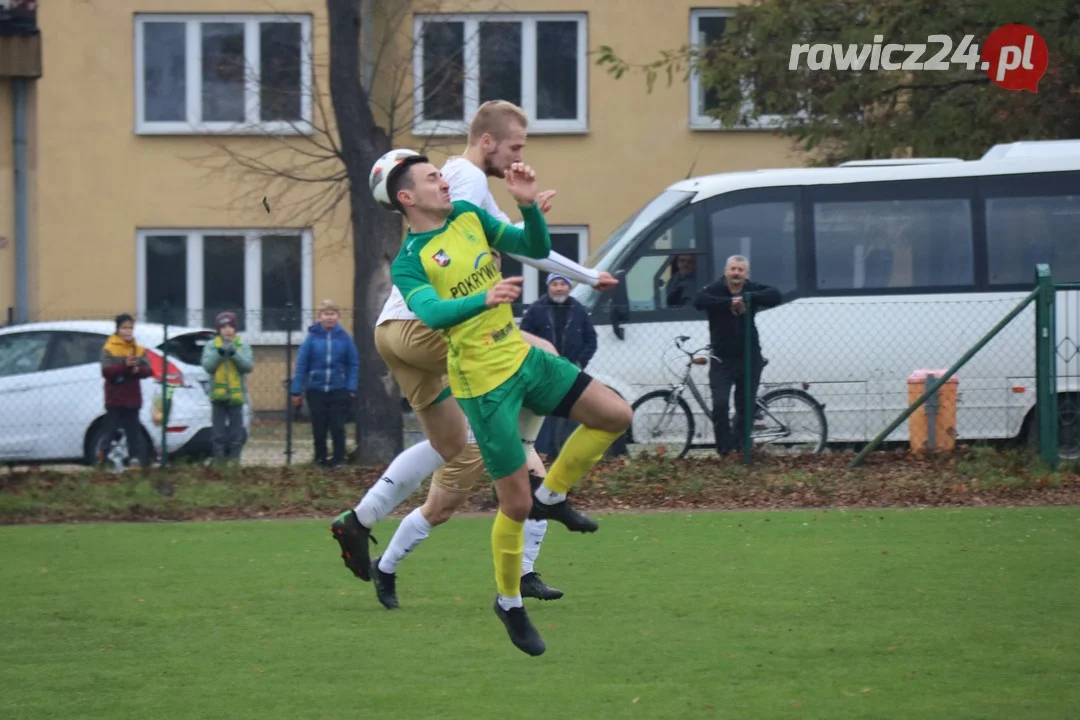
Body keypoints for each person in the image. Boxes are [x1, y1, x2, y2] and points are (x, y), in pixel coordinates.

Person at [332, 100, 616, 611]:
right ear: (487, 142)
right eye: (515, 147)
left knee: (449, 446)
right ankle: (541, 497)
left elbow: (521, 241)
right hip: (420, 323)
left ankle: (360, 519)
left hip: (392, 334)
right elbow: (491, 256)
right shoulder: (459, 182)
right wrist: (588, 276)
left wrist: (533, 214)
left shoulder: (463, 192)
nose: (519, 156)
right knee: (528, 357)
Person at [375, 149, 632, 656]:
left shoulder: (469, 217)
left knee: (615, 415)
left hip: (520, 358)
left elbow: (530, 245)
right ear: (407, 197)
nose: (445, 183)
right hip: (482, 385)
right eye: (433, 179)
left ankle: (554, 497)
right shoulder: (410, 261)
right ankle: (510, 602)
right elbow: (430, 313)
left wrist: (529, 207)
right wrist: (485, 300)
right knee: (514, 503)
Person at [692, 255, 782, 456]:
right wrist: (730, 302)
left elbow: (776, 295)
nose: (736, 273)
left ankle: (740, 449)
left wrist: (747, 298)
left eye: (740, 270)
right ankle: (724, 451)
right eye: (732, 269)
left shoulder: (752, 289)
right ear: (725, 271)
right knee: (720, 404)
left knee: (745, 405)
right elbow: (698, 300)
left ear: (746, 274)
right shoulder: (715, 290)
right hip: (721, 359)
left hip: (750, 358)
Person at [521, 272, 598, 458]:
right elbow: (522, 338)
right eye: (554, 284)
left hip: (571, 372)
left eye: (562, 284)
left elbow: (591, 340)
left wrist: (579, 363)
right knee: (542, 415)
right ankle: (539, 453)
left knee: (570, 412)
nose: (559, 288)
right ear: (548, 286)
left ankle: (566, 451)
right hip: (543, 372)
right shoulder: (536, 310)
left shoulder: (578, 310)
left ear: (569, 287)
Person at [290, 300, 359, 468]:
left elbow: (353, 363)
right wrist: (296, 389)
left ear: (338, 316)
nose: (329, 317)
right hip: (316, 389)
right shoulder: (312, 338)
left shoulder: (345, 338)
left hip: (338, 388)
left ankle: (338, 459)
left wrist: (351, 386)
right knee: (319, 426)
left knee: (337, 426)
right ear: (319, 316)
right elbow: (302, 364)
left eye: (332, 314)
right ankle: (320, 458)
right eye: (326, 314)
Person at [99, 313, 153, 470]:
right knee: (110, 429)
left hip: (132, 398)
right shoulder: (110, 348)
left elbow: (148, 370)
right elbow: (107, 371)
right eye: (124, 327)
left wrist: (137, 369)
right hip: (115, 398)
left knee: (133, 432)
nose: (128, 331)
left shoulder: (138, 349)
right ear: (117, 329)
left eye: (130, 327)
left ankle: (134, 460)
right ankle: (102, 459)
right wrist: (125, 366)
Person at [200, 311, 254, 464]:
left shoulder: (242, 346)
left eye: (230, 326)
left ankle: (234, 461)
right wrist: (220, 353)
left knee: (236, 432)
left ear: (235, 329)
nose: (227, 330)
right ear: (218, 330)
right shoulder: (211, 346)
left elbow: (248, 366)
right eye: (223, 327)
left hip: (237, 396)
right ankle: (218, 462)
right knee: (218, 433)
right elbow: (208, 366)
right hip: (218, 396)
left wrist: (234, 353)